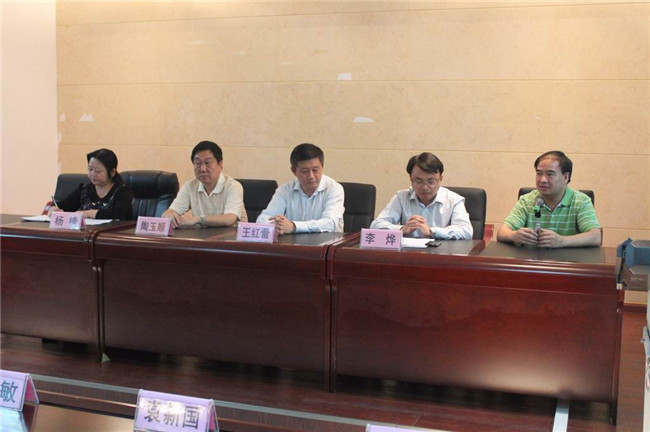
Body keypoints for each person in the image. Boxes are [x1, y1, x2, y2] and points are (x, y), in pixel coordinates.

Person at [497, 150, 601, 248]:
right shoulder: (526, 200)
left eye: (550, 174)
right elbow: (502, 232)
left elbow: (595, 236)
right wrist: (514, 235)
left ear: (566, 177)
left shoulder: (581, 201)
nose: (542, 180)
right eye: (539, 173)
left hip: (568, 260)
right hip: (531, 259)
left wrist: (562, 241)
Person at [370, 152, 473, 239]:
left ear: (440, 179)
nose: (425, 187)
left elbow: (466, 231)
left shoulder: (454, 200)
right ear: (411, 179)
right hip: (408, 254)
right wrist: (402, 229)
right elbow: (376, 225)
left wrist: (432, 231)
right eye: (419, 181)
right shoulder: (401, 197)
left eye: (431, 181)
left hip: (440, 254)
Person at [257, 143, 344, 234]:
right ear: (294, 171)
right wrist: (275, 224)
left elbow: (330, 223)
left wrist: (294, 226)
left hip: (327, 242)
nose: (311, 176)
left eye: (315, 170)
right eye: (305, 171)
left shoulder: (334, 189)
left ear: (322, 167)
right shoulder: (285, 190)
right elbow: (263, 219)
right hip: (293, 242)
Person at [163, 141, 246, 228]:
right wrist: (170, 215)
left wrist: (199, 219)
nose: (202, 169)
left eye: (207, 163)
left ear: (220, 164)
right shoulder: (190, 186)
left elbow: (229, 219)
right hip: (203, 236)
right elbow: (169, 212)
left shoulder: (233, 186)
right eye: (198, 164)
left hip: (231, 235)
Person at [49, 148, 133, 220]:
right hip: (86, 233)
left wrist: (88, 213)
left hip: (111, 232)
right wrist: (54, 209)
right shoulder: (84, 190)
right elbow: (64, 206)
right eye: (90, 169)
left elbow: (119, 214)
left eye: (98, 171)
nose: (93, 174)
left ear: (112, 172)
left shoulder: (122, 191)